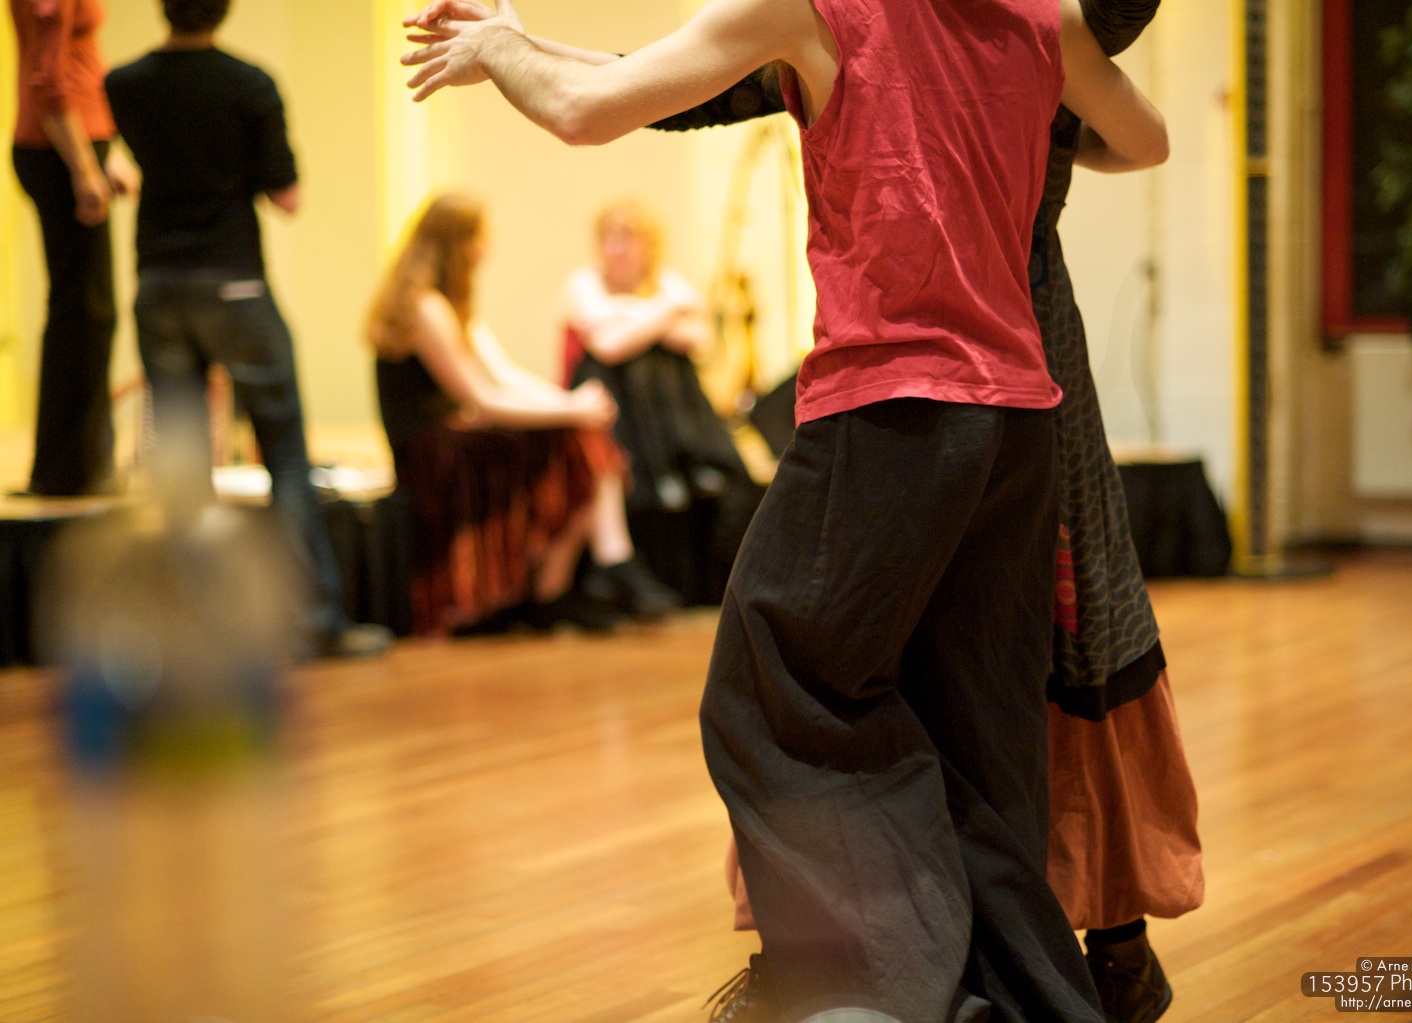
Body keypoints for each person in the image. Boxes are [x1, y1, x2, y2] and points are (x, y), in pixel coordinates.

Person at [400, 1, 1166, 1020]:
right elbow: (1145, 142)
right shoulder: (1039, 16)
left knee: (768, 690)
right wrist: (1024, 129)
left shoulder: (815, 7)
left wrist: (499, 47)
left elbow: (587, 110)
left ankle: (871, 989)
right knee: (982, 737)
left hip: (890, 411)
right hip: (1019, 426)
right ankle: (1024, 998)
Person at [657, 2, 1203, 1019]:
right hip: (1012, 365)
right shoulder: (1021, 27)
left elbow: (668, 92)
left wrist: (522, 55)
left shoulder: (984, 22)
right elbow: (1137, 121)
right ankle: (1002, 967)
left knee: (1002, 664)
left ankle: (981, 958)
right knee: (984, 674)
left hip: (969, 364)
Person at [104, 0, 391, 659]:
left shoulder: (124, 84)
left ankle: (196, 632)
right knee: (284, 456)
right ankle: (314, 621)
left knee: (182, 466)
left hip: (158, 282)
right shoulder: (248, 84)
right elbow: (286, 197)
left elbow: (110, 164)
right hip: (235, 282)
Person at [368, 193, 681, 635]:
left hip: (458, 433)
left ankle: (570, 581)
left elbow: (504, 376)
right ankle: (586, 574)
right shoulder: (426, 308)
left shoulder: (447, 304)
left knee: (583, 439)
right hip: (432, 453)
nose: (487, 247)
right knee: (581, 446)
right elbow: (482, 397)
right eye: (481, 238)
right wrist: (570, 409)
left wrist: (570, 407)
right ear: (460, 243)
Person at [564, 198, 760, 604]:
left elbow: (700, 340)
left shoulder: (666, 282)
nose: (614, 249)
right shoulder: (584, 283)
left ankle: (679, 461)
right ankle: (680, 459)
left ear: (649, 246)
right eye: (608, 239)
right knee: (630, 363)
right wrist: (665, 312)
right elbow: (608, 347)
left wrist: (627, 316)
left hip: (653, 408)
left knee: (660, 362)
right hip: (604, 409)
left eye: (626, 239)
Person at [9, 0, 138, 496]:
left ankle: (82, 466)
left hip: (73, 141)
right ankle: (69, 473)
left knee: (88, 311)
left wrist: (106, 151)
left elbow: (79, 62)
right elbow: (49, 79)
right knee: (83, 313)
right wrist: (84, 167)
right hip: (57, 148)